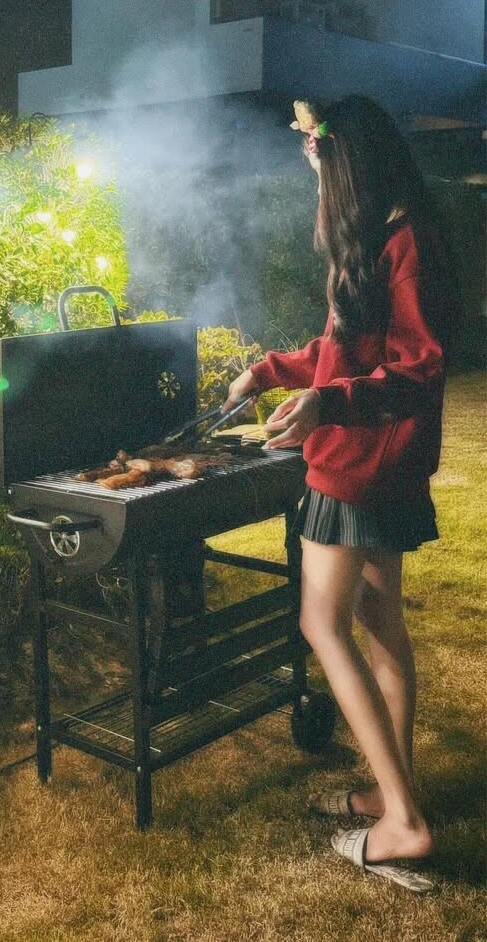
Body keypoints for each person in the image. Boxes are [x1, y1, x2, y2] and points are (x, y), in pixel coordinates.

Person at [223, 96, 458, 894]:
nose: (315, 178)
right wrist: (267, 371)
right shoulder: (383, 234)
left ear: (347, 166)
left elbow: (418, 370)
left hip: (362, 464)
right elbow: (342, 351)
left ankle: (403, 825)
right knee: (378, 619)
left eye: (318, 161)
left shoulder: (407, 243)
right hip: (378, 459)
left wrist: (328, 406)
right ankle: (396, 792)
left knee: (319, 622)